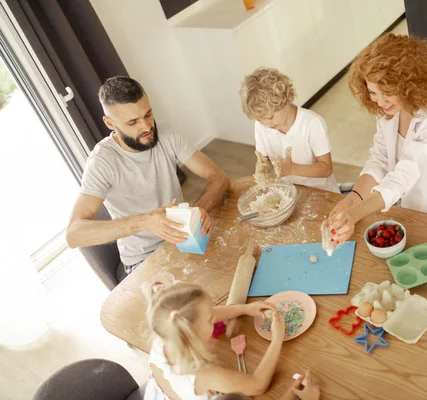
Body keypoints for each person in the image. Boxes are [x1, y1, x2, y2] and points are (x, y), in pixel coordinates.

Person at [66, 76, 230, 274]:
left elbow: (219, 178)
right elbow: (74, 235)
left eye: (148, 114)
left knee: (233, 265)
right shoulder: (102, 162)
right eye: (133, 122)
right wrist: (144, 221)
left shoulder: (166, 133)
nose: (146, 127)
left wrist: (198, 210)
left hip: (184, 239)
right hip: (143, 259)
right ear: (110, 123)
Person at [325, 33, 427, 242]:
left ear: (410, 84)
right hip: (409, 214)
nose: (380, 102)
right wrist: (352, 199)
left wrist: (355, 214)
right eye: (373, 92)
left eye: (387, 92)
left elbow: (403, 175)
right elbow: (379, 159)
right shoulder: (391, 111)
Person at [143, 274, 284, 399]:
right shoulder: (203, 374)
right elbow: (257, 385)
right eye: (210, 319)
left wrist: (244, 308)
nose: (214, 318)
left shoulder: (168, 330)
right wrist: (277, 340)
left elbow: (210, 314)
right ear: (193, 332)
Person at [239, 67, 339, 193]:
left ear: (284, 100)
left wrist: (293, 169)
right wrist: (263, 167)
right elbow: (265, 159)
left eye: (270, 117)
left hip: (321, 192)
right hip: (288, 192)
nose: (267, 124)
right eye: (260, 120)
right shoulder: (261, 126)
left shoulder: (312, 123)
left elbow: (326, 169)